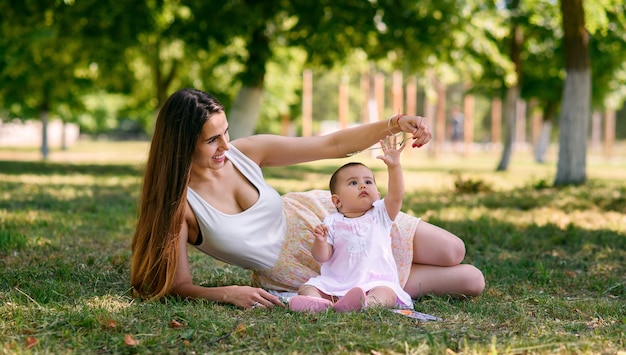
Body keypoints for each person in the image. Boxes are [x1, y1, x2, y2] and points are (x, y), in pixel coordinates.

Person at [130, 88, 484, 309]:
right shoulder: (180, 209)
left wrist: (395, 122)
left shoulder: (246, 152)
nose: (226, 147)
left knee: (453, 250)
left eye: (226, 133)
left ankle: (382, 280)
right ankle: (375, 284)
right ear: (181, 144)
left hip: (334, 219)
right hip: (299, 269)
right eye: (212, 141)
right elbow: (177, 286)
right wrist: (226, 292)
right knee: (470, 280)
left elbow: (331, 145)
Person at [289, 135, 413, 313]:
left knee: (387, 293)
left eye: (368, 182)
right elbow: (322, 256)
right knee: (307, 287)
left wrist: (394, 166)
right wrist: (320, 241)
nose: (363, 186)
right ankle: (317, 303)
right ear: (337, 201)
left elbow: (396, 195)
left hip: (374, 282)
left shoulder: (380, 214)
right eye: (353, 183)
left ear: (377, 194)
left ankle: (365, 304)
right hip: (336, 283)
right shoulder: (332, 222)